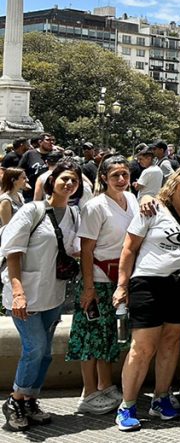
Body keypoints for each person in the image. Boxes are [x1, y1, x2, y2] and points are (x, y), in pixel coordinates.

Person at [113, 164, 180, 432]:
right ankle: (128, 404)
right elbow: (129, 248)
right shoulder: (152, 208)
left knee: (171, 344)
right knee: (143, 347)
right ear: (175, 183)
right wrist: (122, 286)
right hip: (149, 282)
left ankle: (161, 397)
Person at [0, 161, 81, 431]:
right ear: (51, 181)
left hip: (54, 294)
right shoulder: (32, 211)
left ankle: (30, 399)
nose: (69, 184)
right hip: (26, 293)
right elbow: (12, 251)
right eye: (64, 179)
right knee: (34, 348)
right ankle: (14, 400)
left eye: (74, 181)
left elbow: (76, 248)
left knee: (45, 353)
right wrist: (18, 292)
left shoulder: (73, 214)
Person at [68, 156, 137, 415]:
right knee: (90, 336)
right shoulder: (95, 206)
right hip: (97, 278)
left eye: (125, 174)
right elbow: (86, 249)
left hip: (119, 277)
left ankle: (105, 385)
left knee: (109, 336)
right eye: (115, 175)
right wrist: (88, 287)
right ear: (104, 178)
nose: (121, 180)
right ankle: (89, 393)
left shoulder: (131, 200)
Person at [18, 133, 53, 198]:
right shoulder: (30, 154)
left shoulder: (54, 155)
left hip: (50, 195)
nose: (51, 142)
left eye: (52, 140)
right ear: (40, 142)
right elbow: (19, 170)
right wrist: (24, 183)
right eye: (48, 140)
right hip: (31, 194)